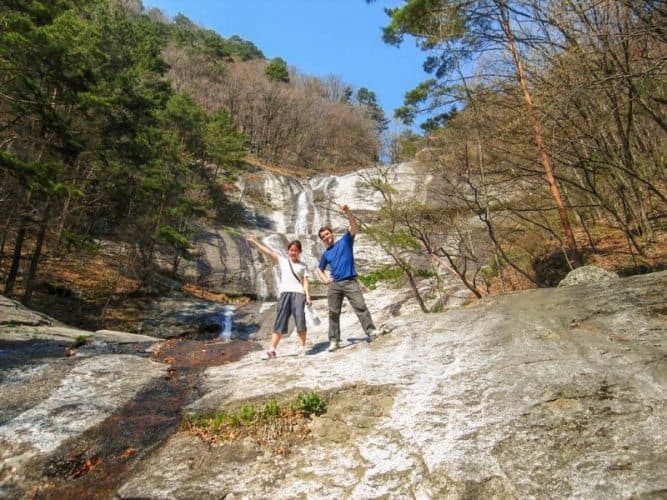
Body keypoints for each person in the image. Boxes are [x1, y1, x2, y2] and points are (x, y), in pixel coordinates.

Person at [316, 204, 376, 352]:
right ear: (322, 239)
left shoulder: (345, 241)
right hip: (335, 285)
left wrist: (348, 212)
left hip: (350, 281)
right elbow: (319, 269)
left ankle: (371, 331)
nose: (326, 237)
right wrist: (324, 279)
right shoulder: (326, 254)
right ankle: (334, 340)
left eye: (327, 234)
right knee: (333, 313)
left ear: (332, 234)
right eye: (323, 237)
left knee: (360, 306)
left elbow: (354, 226)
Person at [246, 235, 311, 359]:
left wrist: (308, 296)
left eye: (296, 250)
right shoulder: (283, 260)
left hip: (299, 294)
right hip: (285, 293)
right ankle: (272, 350)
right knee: (280, 320)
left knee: (300, 320)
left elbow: (306, 282)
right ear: (288, 250)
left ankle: (302, 348)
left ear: (299, 252)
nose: (293, 252)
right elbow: (268, 252)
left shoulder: (303, 265)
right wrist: (255, 241)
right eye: (291, 250)